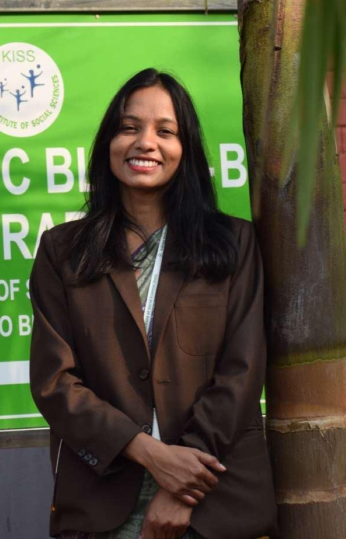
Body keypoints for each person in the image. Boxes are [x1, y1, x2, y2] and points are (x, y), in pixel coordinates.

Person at [29, 68, 277, 539]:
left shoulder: (232, 244)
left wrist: (183, 485)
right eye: (129, 128)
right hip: (103, 498)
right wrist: (152, 454)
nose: (145, 142)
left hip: (216, 499)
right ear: (109, 143)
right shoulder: (64, 251)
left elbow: (242, 371)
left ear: (186, 149)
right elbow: (55, 382)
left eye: (165, 131)